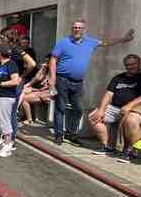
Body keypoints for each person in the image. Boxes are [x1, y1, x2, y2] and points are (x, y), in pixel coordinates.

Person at [49, 18, 135, 146]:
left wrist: (123, 39)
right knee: (60, 108)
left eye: (79, 27)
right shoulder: (63, 42)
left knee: (78, 109)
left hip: (78, 82)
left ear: (83, 30)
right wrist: (52, 78)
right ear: (71, 29)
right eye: (75, 27)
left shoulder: (90, 42)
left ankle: (71, 134)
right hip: (62, 79)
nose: (77, 29)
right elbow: (53, 60)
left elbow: (106, 43)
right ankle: (58, 135)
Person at [88, 54, 141, 163]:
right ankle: (108, 147)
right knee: (94, 116)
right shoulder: (118, 78)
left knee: (131, 120)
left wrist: (129, 106)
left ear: (139, 63)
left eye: (134, 64)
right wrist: (101, 110)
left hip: (139, 108)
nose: (131, 67)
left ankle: (130, 152)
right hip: (115, 108)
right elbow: (108, 95)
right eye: (128, 65)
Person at [0, 27, 36, 142]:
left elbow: (32, 63)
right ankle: (6, 136)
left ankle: (11, 139)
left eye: (2, 37)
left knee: (11, 111)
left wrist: (22, 76)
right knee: (5, 110)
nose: (0, 39)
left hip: (15, 84)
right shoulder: (6, 49)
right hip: (7, 83)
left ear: (8, 37)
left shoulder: (16, 49)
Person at [20, 55, 53, 126]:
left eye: (47, 62)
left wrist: (34, 90)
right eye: (45, 61)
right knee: (23, 91)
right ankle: (22, 115)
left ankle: (29, 119)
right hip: (40, 91)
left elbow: (50, 88)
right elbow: (35, 79)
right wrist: (42, 69)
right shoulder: (45, 70)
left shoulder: (54, 72)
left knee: (24, 99)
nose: (45, 63)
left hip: (49, 93)